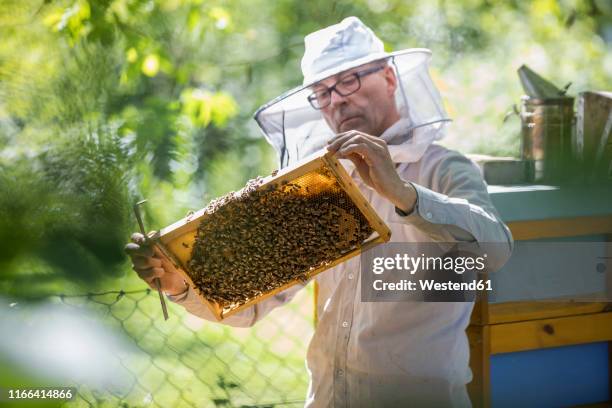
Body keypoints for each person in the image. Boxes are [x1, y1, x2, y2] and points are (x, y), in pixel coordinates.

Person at [126, 17, 513, 407]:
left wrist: (401, 192)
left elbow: (496, 250)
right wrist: (180, 283)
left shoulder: (443, 168)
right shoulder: (321, 188)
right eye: (322, 92)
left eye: (349, 81)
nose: (337, 100)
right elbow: (252, 305)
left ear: (390, 79)